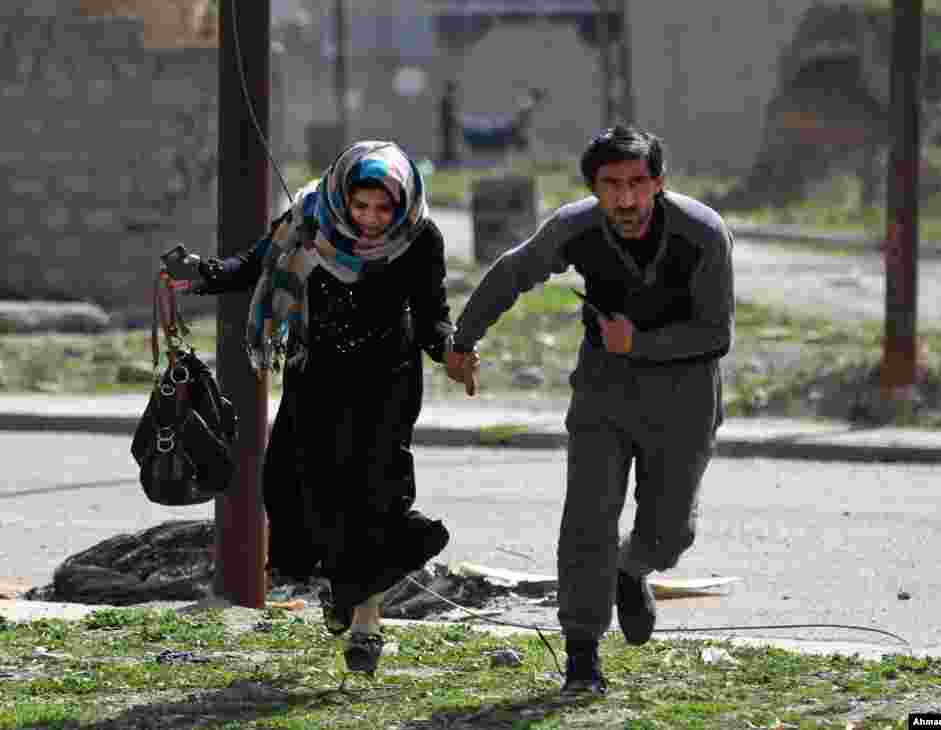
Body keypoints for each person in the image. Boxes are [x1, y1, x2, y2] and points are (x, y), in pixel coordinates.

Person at [444, 125, 734, 694]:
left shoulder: (704, 233)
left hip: (686, 394)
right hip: (605, 390)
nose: (625, 199)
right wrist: (463, 340)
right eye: (610, 185)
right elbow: (514, 271)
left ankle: (633, 569)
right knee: (588, 519)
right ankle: (582, 654)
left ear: (659, 183)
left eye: (637, 184)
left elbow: (716, 333)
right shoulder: (577, 227)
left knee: (671, 533)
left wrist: (641, 344)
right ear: (593, 189)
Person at [190, 140, 458, 675]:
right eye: (362, 207)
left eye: (384, 209)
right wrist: (204, 274)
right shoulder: (312, 216)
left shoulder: (420, 235)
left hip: (387, 383)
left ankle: (365, 623)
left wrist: (452, 351)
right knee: (292, 490)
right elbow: (259, 261)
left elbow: (432, 311)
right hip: (317, 377)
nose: (372, 221)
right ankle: (339, 587)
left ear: (401, 204)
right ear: (344, 197)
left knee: (372, 503)